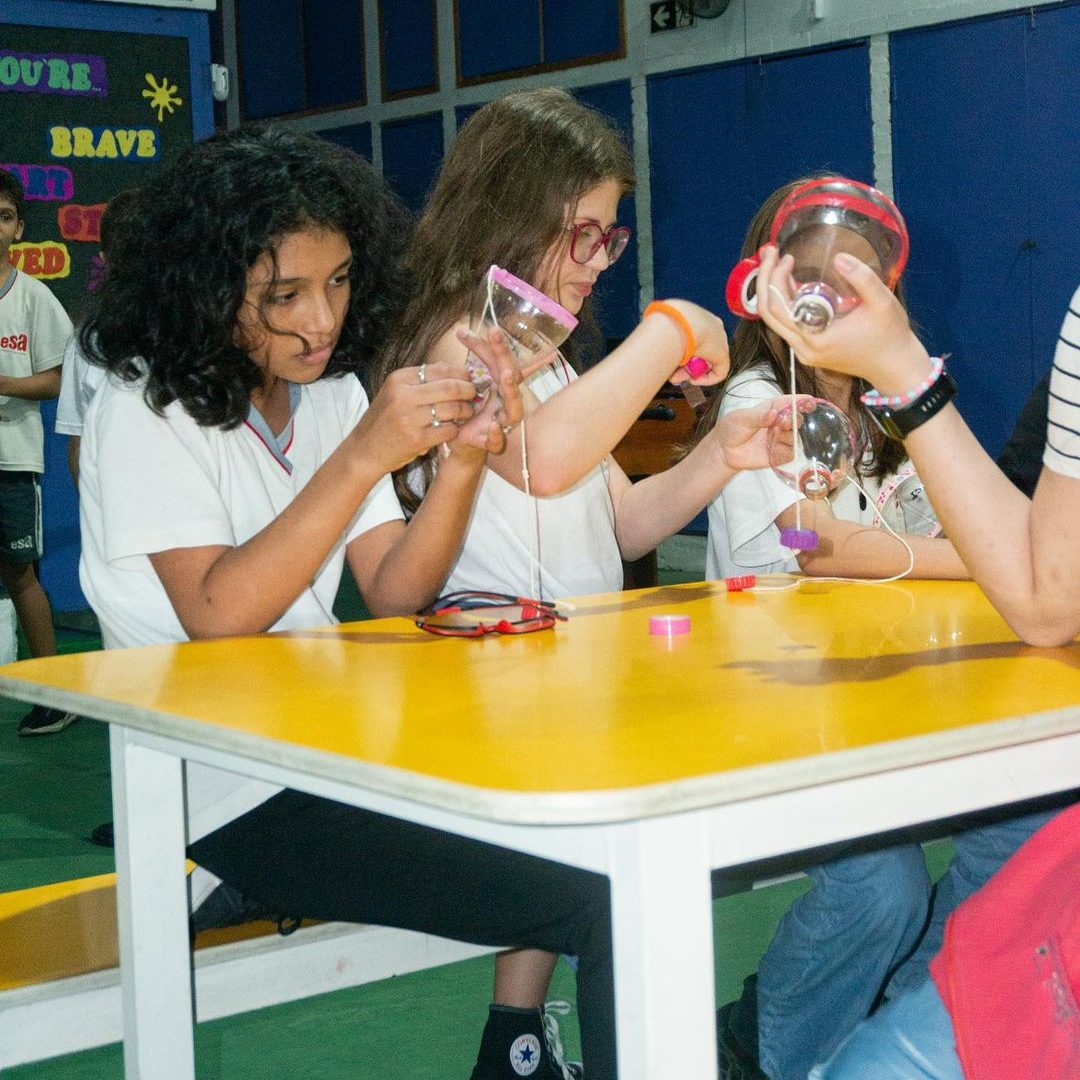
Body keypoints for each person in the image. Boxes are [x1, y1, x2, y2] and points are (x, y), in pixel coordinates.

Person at [76, 120, 627, 1080]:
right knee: (603, 889)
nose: (322, 322)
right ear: (207, 287)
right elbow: (218, 611)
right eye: (282, 295)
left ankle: (517, 1054)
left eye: (336, 284)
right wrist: (370, 450)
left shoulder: (327, 394)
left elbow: (396, 586)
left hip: (329, 754)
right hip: (224, 791)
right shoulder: (142, 409)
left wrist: (457, 459)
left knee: (600, 825)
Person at [372, 86, 782, 1080]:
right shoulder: (461, 341)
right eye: (583, 234)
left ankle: (513, 1039)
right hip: (492, 682)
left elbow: (625, 518)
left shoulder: (545, 359)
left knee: (592, 885)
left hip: (565, 669)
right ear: (511, 214)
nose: (601, 258)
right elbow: (543, 463)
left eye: (611, 235)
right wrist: (672, 323)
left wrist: (721, 454)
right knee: (609, 893)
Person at [688, 179, 1058, 1080]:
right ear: (765, 283)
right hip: (773, 699)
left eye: (861, 272)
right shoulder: (758, 403)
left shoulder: (887, 406)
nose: (836, 294)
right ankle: (772, 1047)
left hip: (882, 686)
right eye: (815, 271)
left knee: (1023, 833)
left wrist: (1007, 550)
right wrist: (1007, 557)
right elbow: (820, 547)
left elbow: (936, 530)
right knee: (880, 887)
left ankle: (905, 1022)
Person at [0, 168, 78, 736]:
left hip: (12, 460)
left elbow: (57, 380)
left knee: (19, 574)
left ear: (18, 228)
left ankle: (56, 692)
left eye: (3, 216)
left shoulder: (34, 298)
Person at [56, 187, 144, 487]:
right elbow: (78, 444)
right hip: (114, 514)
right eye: (126, 253)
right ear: (105, 259)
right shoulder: (86, 341)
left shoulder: (200, 333)